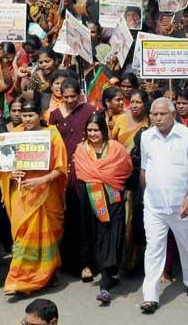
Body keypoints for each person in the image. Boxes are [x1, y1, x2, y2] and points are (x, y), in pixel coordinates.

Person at [140, 97, 188, 314]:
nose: (157, 118)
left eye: (161, 114)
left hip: (181, 203)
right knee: (154, 248)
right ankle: (150, 295)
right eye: (154, 114)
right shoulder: (147, 136)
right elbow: (144, 168)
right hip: (154, 205)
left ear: (173, 114)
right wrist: (146, 192)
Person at [0, 99, 67, 295]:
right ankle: (20, 280)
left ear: (41, 115)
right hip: (21, 195)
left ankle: (49, 273)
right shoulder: (14, 136)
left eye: (31, 115)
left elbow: (61, 168)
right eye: (24, 115)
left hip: (46, 194)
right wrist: (11, 174)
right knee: (22, 236)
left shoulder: (52, 135)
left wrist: (43, 180)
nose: (26, 119)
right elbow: (3, 168)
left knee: (48, 236)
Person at [75, 112, 133, 304]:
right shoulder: (81, 150)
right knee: (98, 238)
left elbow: (126, 169)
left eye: (96, 130)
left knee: (112, 235)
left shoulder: (115, 148)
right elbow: (81, 173)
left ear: (104, 130)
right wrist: (97, 179)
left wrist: (108, 179)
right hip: (91, 200)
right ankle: (108, 278)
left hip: (113, 199)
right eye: (89, 130)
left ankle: (107, 281)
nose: (92, 134)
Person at [48, 78, 96, 276]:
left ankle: (86, 263)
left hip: (82, 169)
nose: (69, 100)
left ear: (79, 95)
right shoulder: (54, 115)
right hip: (59, 171)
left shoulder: (89, 111)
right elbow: (49, 141)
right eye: (65, 96)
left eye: (73, 96)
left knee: (83, 217)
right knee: (63, 218)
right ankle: (64, 262)